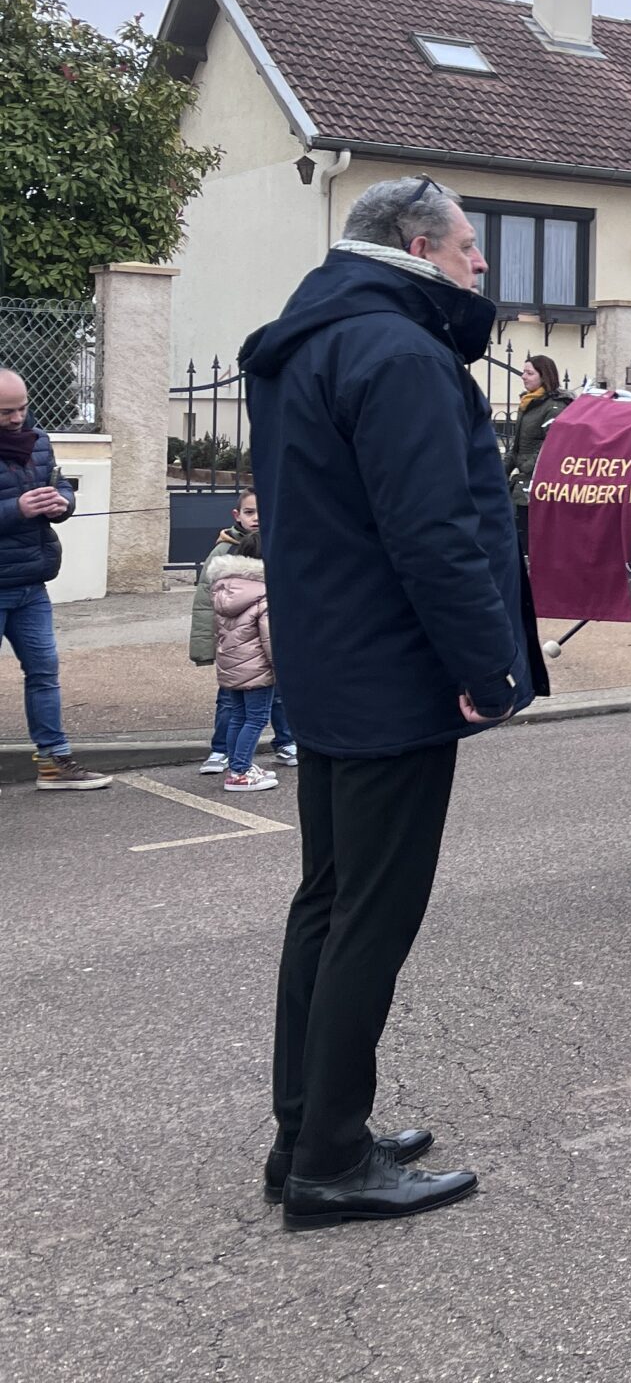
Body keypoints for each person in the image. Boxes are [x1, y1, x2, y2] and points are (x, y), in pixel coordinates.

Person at [242, 175, 536, 1228]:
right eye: (467, 247)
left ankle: (305, 1131)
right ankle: (331, 1161)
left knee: (327, 903)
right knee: (371, 915)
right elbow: (433, 534)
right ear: (417, 247)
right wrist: (490, 668)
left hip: (330, 664)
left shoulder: (305, 342)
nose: (480, 264)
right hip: (392, 675)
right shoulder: (401, 353)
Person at [0, 369, 101, 792]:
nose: (17, 418)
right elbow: (18, 506)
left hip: (31, 582)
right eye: (6, 412)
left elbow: (59, 484)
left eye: (22, 408)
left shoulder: (39, 441)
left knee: (44, 673)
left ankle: (54, 762)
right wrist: (16, 509)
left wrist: (63, 502)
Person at [192, 490, 298, 773]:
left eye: (262, 511)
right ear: (237, 515)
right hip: (258, 658)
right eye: (250, 512)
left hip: (234, 657)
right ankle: (230, 758)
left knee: (262, 704)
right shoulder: (224, 553)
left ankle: (284, 742)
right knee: (243, 710)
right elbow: (204, 605)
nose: (257, 518)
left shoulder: (279, 543)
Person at [205, 492, 282, 794]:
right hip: (257, 669)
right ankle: (239, 770)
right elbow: (270, 639)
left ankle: (238, 764)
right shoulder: (263, 595)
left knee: (238, 716)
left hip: (231, 668)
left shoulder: (226, 589)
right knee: (257, 719)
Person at [505, 353, 572, 549]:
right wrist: (500, 471)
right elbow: (517, 446)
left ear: (544, 376)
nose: (523, 376)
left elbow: (552, 446)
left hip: (538, 489)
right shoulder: (528, 403)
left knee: (530, 544)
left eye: (530, 373)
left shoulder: (555, 407)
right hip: (521, 487)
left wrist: (527, 467)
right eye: (523, 372)